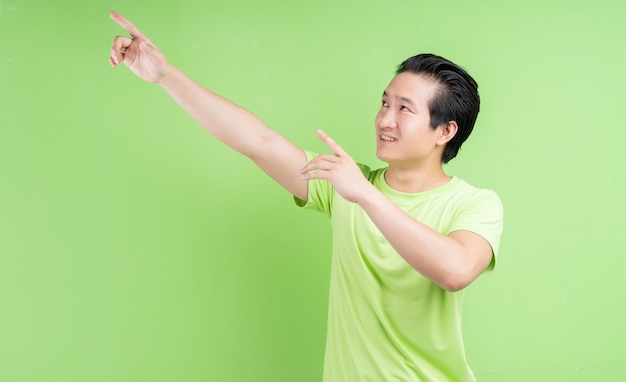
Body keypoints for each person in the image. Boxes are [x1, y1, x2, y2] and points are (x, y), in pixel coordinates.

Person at [109, 11, 503, 381]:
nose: (385, 119)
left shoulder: (473, 204)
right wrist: (164, 75)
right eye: (384, 102)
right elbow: (258, 141)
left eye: (404, 109)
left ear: (445, 131)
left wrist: (364, 194)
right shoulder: (345, 184)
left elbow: (454, 271)